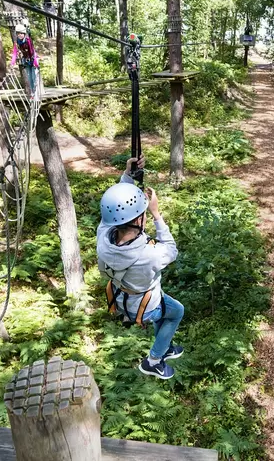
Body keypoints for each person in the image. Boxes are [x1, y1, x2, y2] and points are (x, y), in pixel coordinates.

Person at [97, 155, 184, 380]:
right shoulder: (147, 254)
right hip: (145, 305)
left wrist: (128, 175)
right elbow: (172, 250)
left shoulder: (104, 235)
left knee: (165, 311)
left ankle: (164, 346)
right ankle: (154, 360)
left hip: (121, 297)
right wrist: (157, 214)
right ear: (139, 220)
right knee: (175, 312)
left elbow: (117, 205)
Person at [11, 24, 39, 98]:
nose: (19, 35)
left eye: (21, 33)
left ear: (24, 33)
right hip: (26, 61)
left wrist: (35, 63)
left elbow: (32, 50)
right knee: (30, 79)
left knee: (34, 78)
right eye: (18, 33)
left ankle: (36, 95)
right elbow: (14, 53)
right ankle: (33, 94)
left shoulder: (28, 40)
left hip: (33, 61)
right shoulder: (17, 42)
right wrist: (12, 63)